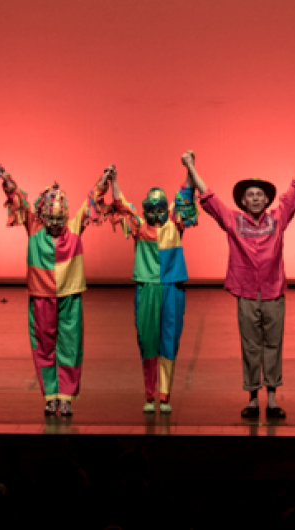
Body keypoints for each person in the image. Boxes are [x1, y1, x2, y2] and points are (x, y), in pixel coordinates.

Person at [184, 147, 295, 419]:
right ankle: (253, 398)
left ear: (267, 199)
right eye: (250, 195)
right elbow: (209, 198)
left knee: (273, 344)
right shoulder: (233, 221)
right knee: (250, 346)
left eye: (260, 195)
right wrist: (190, 167)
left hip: (273, 292)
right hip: (246, 293)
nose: (255, 198)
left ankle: (272, 398)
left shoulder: (277, 220)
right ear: (243, 201)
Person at [2, 165, 111, 416]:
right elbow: (18, 200)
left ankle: (66, 397)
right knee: (43, 346)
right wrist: (6, 179)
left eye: (59, 219)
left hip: (69, 297)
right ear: (43, 216)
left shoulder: (73, 229)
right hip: (41, 298)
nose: (54, 224)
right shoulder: (35, 228)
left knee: (70, 346)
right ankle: (50, 395)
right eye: (51, 219)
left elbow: (91, 202)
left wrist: (104, 179)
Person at [93, 163, 199, 414]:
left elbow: (185, 195)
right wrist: (113, 180)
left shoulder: (175, 223)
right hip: (147, 289)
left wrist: (189, 167)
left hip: (171, 289)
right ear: (145, 209)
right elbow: (120, 204)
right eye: (151, 209)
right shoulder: (139, 226)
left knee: (169, 342)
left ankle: (164, 396)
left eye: (160, 209)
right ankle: (150, 395)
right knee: (148, 341)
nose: (156, 214)